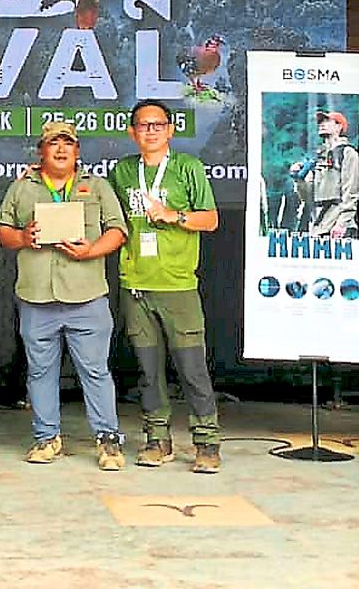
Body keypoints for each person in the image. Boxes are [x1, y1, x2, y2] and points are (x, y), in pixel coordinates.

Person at [0, 121, 129, 471]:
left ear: (77, 150)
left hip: (87, 297)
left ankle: (108, 440)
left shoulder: (95, 186)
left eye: (67, 143)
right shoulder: (22, 188)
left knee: (96, 372)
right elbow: (1, 232)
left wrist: (92, 250)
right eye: (53, 144)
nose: (60, 149)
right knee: (40, 373)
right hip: (37, 297)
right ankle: (46, 437)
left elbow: (118, 230)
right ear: (41, 150)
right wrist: (24, 237)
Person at [109, 99, 223, 473]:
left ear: (170, 130)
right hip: (136, 285)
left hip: (178, 286)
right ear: (132, 131)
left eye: (158, 125)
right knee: (147, 370)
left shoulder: (187, 168)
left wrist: (173, 215)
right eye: (143, 125)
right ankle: (157, 439)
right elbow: (100, 207)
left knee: (192, 369)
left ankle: (207, 441)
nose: (151, 131)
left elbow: (210, 221)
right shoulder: (123, 171)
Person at [301, 109, 359, 240]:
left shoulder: (348, 153)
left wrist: (342, 223)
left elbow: (351, 191)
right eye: (320, 122)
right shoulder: (319, 157)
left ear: (339, 127)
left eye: (327, 121)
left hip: (338, 228)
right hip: (318, 227)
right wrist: (298, 179)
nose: (321, 124)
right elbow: (308, 197)